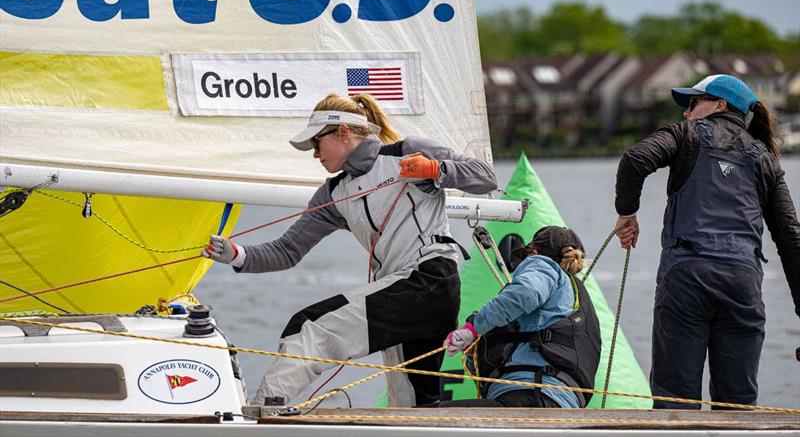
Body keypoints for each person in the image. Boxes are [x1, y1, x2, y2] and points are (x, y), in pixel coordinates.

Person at [202, 93, 498, 407]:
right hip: (405, 296)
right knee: (411, 406)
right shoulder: (333, 193)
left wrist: (435, 169)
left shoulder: (407, 153)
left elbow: (486, 177)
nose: (314, 154)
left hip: (429, 279)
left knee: (308, 327)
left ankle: (263, 412)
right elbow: (287, 250)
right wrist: (237, 254)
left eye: (316, 143)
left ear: (343, 132)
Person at [614, 74, 800, 409]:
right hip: (742, 286)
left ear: (720, 105)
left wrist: (627, 213)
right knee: (738, 406)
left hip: (687, 279)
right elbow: (791, 239)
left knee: (675, 402)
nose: (686, 113)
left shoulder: (684, 135)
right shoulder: (765, 160)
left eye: (693, 103)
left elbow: (634, 160)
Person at [442, 226, 601, 408]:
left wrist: (473, 328)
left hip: (529, 394)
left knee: (426, 416)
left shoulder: (543, 266)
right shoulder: (571, 297)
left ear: (533, 253)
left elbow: (526, 293)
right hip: (560, 402)